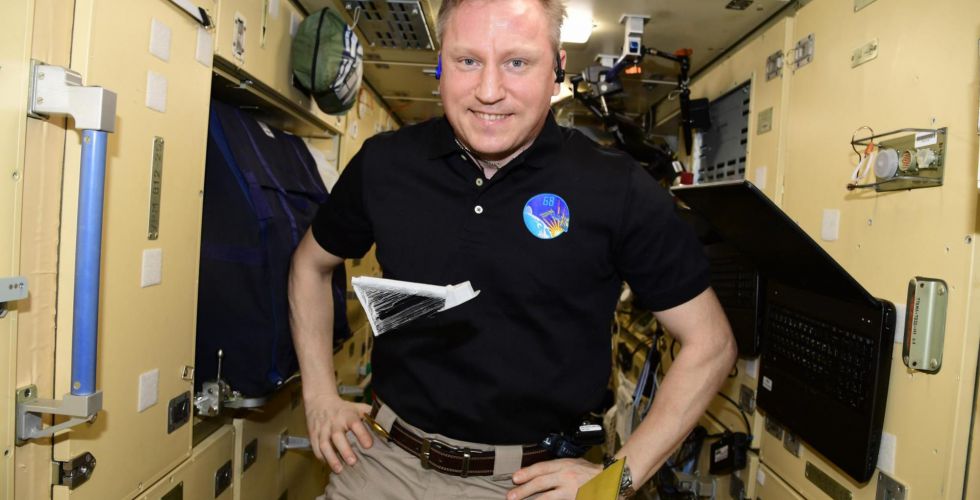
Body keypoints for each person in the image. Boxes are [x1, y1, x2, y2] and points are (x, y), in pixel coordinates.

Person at [288, 0, 737, 498]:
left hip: (532, 481)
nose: (489, 91)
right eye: (468, 60)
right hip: (383, 463)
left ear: (557, 69)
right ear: (441, 64)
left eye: (517, 62)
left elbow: (710, 344)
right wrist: (319, 394)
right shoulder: (386, 164)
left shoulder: (616, 189)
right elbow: (310, 265)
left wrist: (618, 479)